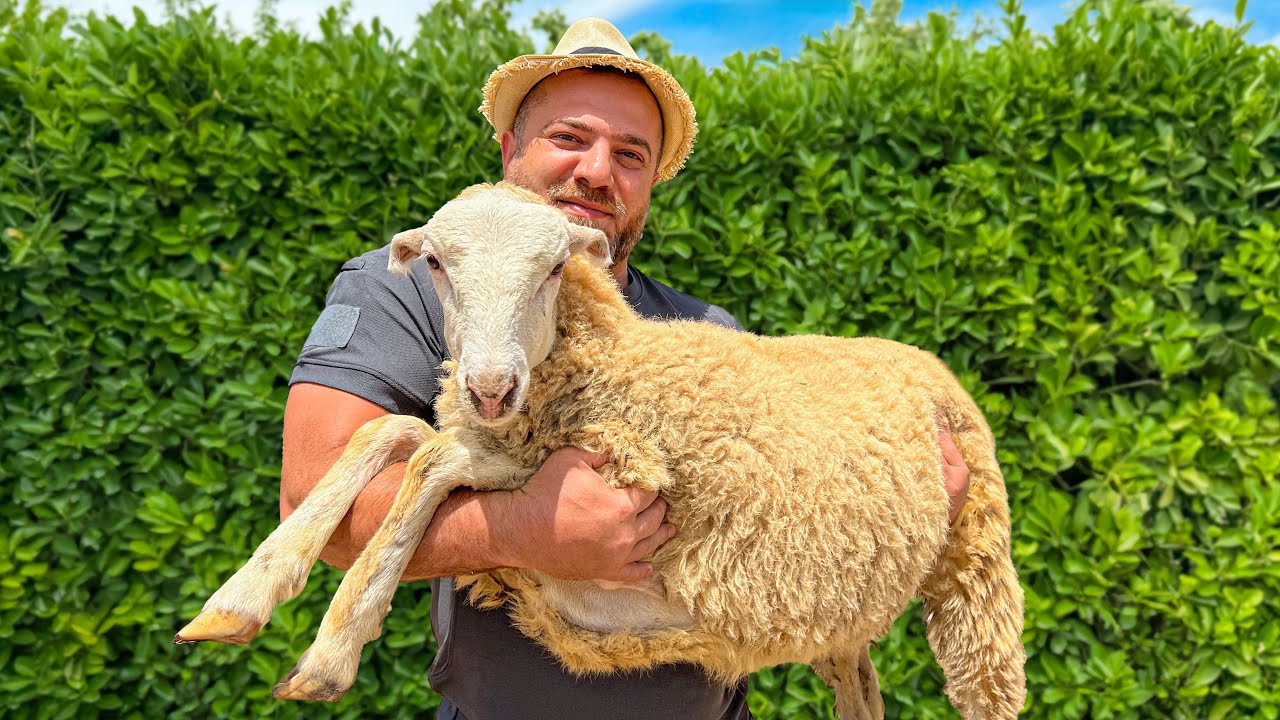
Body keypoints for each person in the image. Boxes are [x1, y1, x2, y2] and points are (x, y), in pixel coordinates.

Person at [281, 17, 971, 720]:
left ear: (650, 182)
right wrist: (524, 529)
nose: (597, 171)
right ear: (510, 147)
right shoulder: (411, 286)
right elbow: (313, 504)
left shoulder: (705, 333)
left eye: (630, 154)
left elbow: (787, 515)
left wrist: (896, 499)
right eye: (569, 138)